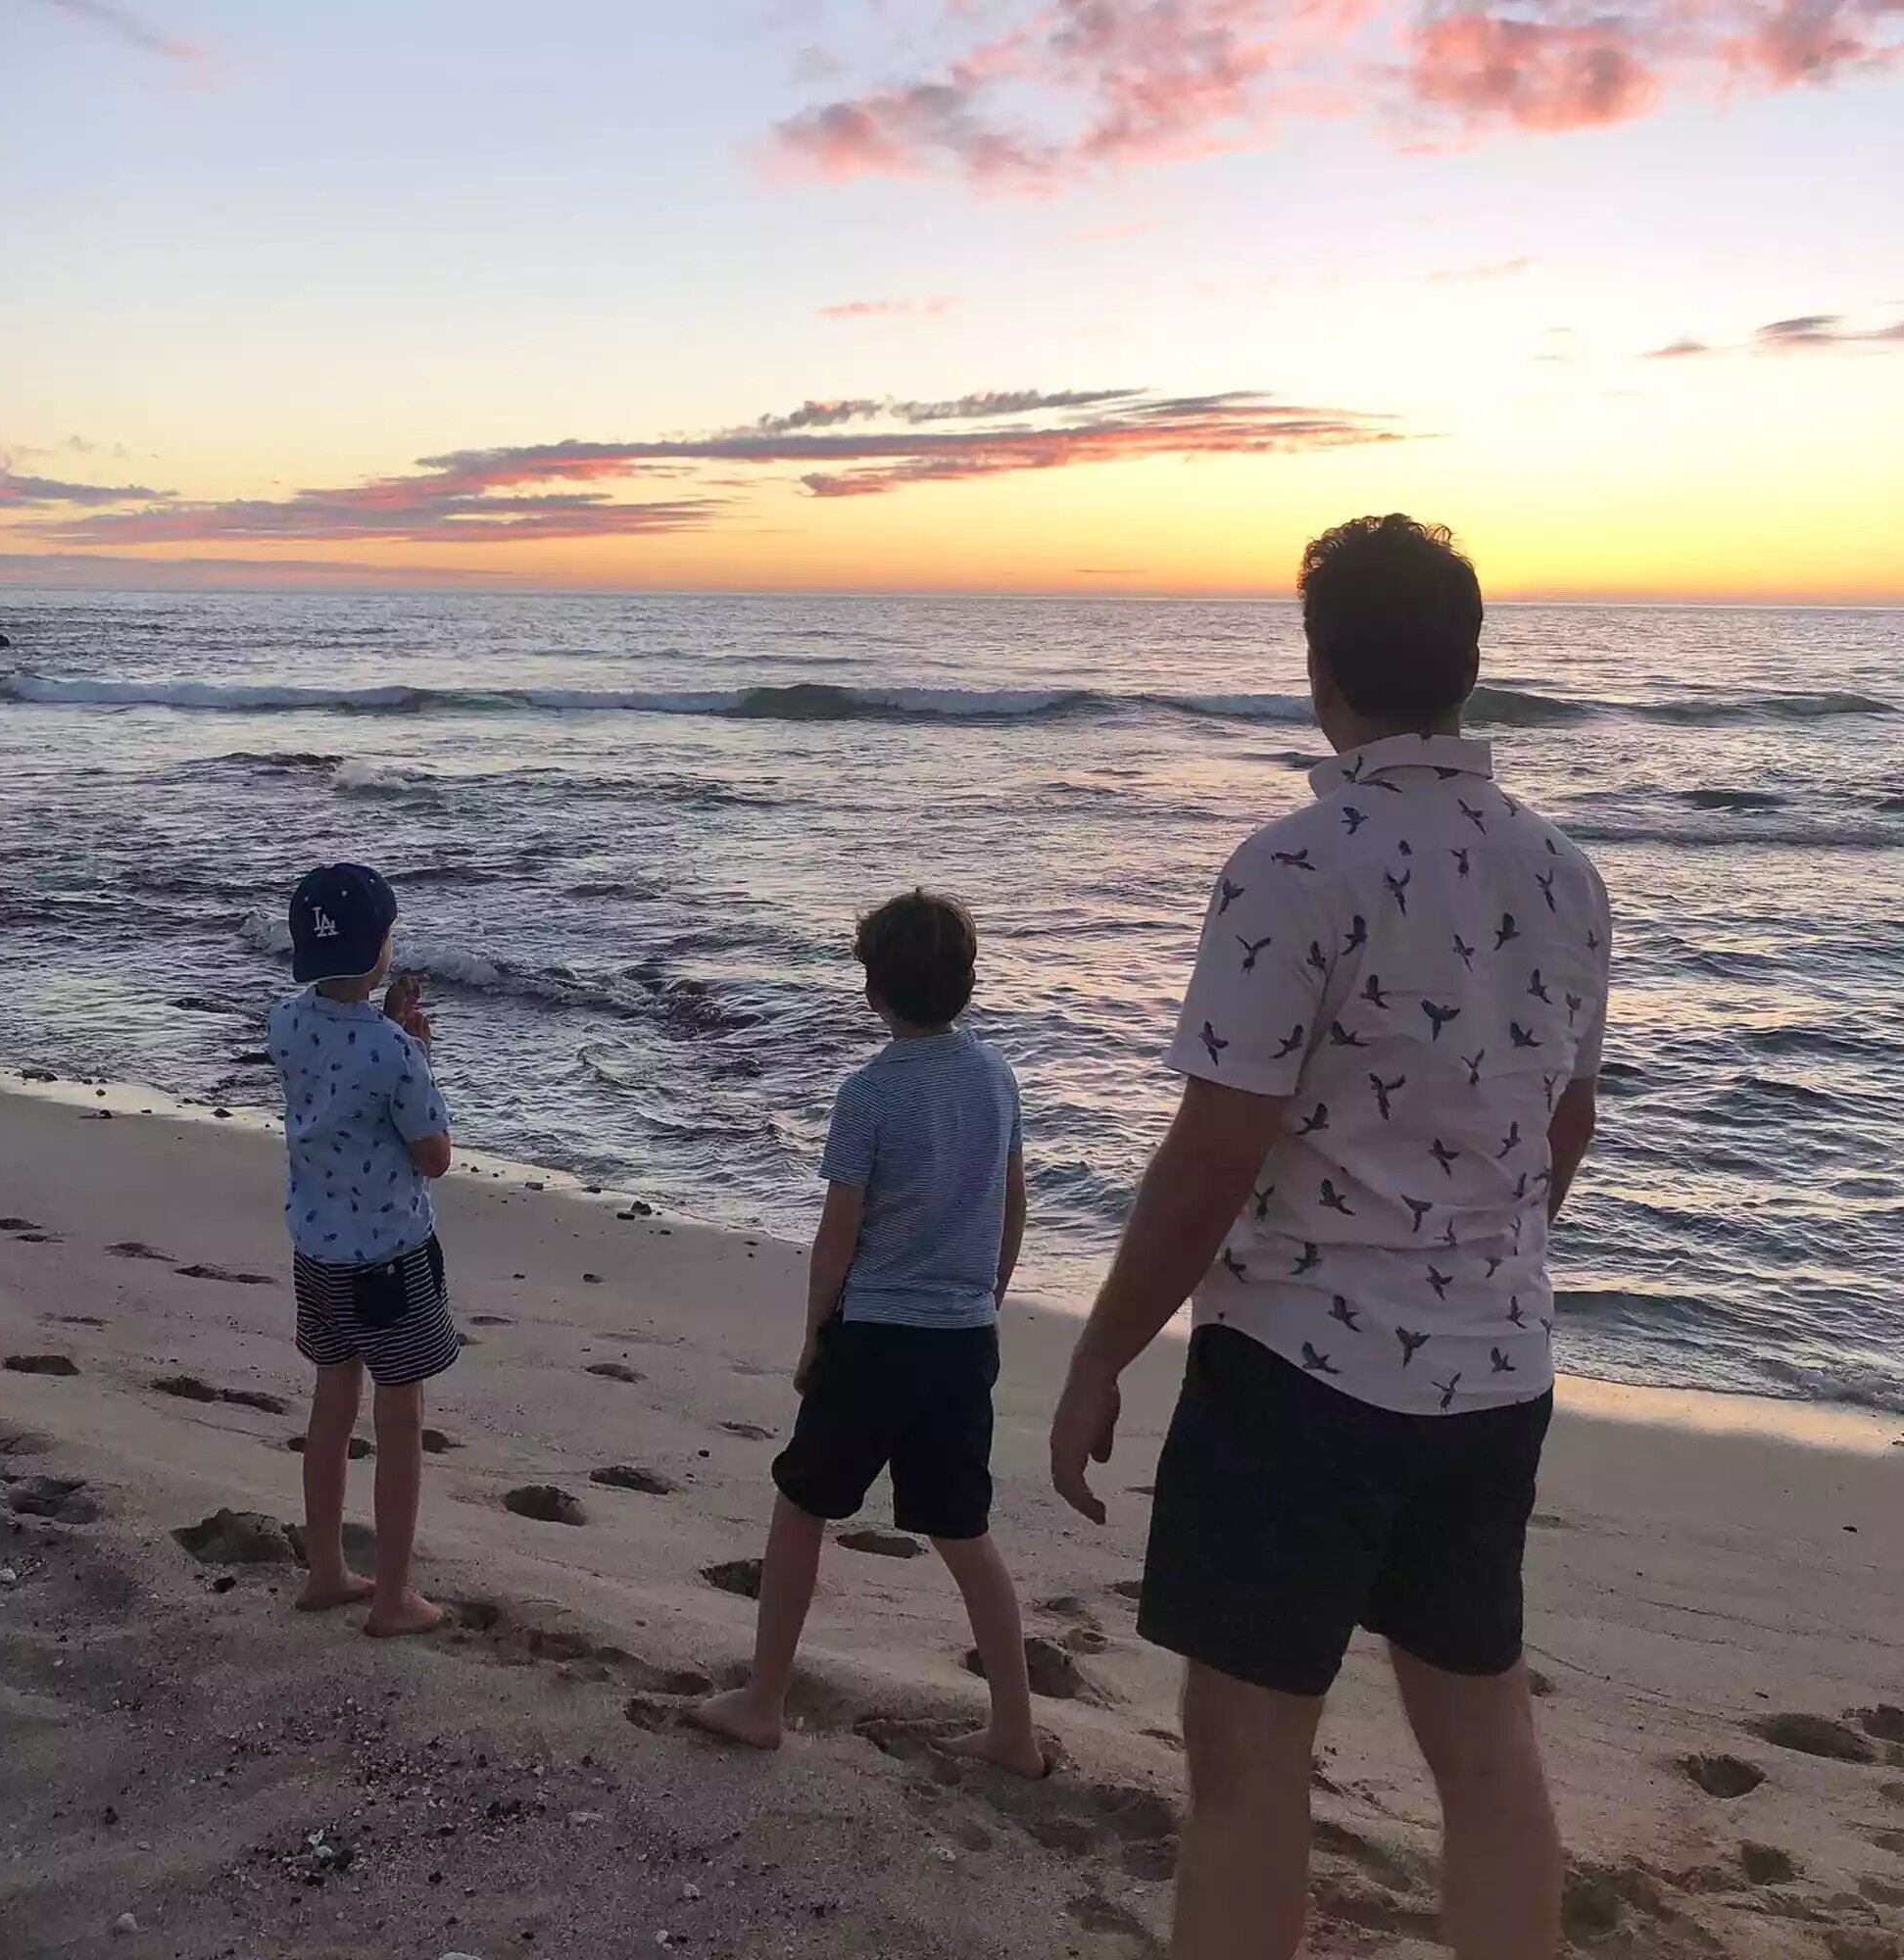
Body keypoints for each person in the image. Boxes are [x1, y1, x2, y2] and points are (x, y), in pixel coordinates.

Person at [1050, 515, 1612, 1960]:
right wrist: (1478, 1261)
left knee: (1246, 1767)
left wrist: (1100, 1354)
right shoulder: (1566, 876)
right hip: (1496, 1380)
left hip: (1299, 1380)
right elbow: (1567, 1128)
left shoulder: (1295, 867)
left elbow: (1212, 1160)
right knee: (1485, 1751)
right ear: (1469, 667)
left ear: (1320, 667)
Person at [691, 891, 1045, 1777]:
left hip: (877, 1335)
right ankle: (1014, 1726)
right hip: (963, 1338)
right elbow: (1013, 1205)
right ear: (966, 983)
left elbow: (838, 1237)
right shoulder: (996, 1076)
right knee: (964, 1530)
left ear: (870, 989)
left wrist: (816, 1335)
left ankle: (764, 1700)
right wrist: (986, 1298)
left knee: (803, 1505)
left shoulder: (870, 1093)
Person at [271, 862, 460, 1639]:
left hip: (317, 1252)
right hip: (389, 1260)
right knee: (401, 1418)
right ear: (381, 949)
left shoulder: (284, 1021)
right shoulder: (395, 1053)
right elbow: (434, 1155)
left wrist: (389, 1028)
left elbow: (336, 1075)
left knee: (331, 1404)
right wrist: (413, 1048)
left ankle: (324, 1570)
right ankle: (391, 1595)